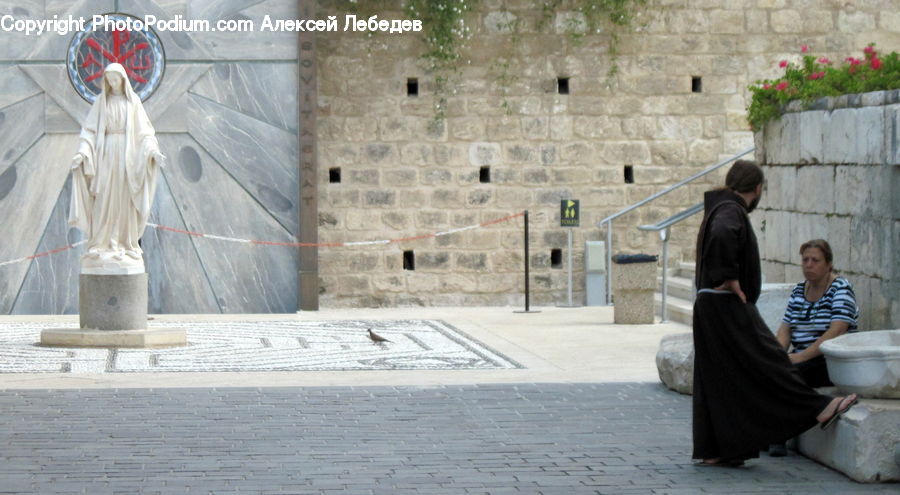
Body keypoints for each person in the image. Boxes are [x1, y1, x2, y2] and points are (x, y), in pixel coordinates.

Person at [692, 160, 857, 467]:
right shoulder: (730, 210)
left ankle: (719, 448)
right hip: (725, 304)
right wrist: (729, 277)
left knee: (719, 377)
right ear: (757, 188)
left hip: (710, 305)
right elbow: (723, 233)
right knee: (767, 359)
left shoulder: (721, 206)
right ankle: (819, 407)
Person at [69, 63, 165, 273]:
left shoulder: (133, 103)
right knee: (103, 198)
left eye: (116, 80)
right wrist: (82, 153)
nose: (113, 84)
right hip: (105, 155)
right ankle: (101, 244)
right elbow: (89, 132)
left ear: (123, 80)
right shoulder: (100, 103)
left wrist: (152, 152)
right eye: (109, 80)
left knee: (124, 199)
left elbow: (145, 134)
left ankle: (124, 243)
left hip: (127, 156)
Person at [768, 239, 859, 457]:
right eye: (805, 260)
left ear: (828, 264)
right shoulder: (800, 290)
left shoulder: (841, 288)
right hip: (803, 357)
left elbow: (837, 330)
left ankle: (778, 436)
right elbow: (785, 329)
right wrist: (778, 355)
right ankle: (764, 432)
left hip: (830, 360)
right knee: (768, 368)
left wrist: (799, 358)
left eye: (815, 260)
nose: (809, 265)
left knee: (790, 374)